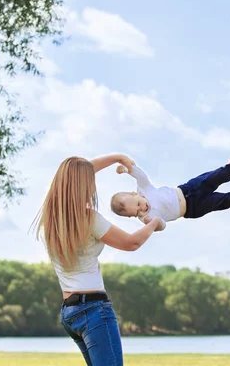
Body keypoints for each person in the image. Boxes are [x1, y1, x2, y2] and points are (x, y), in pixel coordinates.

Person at [34, 154, 163, 366]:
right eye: (90, 183)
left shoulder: (50, 217)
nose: (93, 188)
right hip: (93, 310)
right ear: (82, 186)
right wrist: (154, 223)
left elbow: (72, 176)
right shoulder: (88, 219)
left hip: (70, 313)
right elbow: (131, 243)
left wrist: (116, 158)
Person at [110, 159, 230, 230]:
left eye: (138, 204)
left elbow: (141, 176)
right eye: (136, 212)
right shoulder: (147, 218)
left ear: (135, 193)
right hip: (192, 208)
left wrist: (127, 170)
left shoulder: (144, 189)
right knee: (222, 200)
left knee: (217, 175)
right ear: (132, 216)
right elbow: (162, 225)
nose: (142, 208)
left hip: (187, 189)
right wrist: (155, 224)